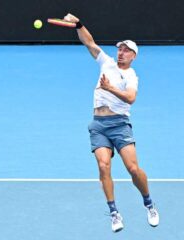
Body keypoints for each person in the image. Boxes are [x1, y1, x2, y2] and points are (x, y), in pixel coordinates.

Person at [63, 13, 159, 232]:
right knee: (103, 166)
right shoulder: (106, 63)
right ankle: (114, 212)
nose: (121, 53)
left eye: (126, 50)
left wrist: (110, 89)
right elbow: (89, 42)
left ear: (133, 56)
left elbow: (131, 98)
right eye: (120, 49)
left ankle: (149, 204)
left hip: (119, 124)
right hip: (98, 124)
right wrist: (78, 23)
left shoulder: (131, 76)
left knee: (133, 169)